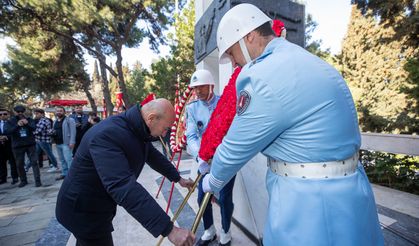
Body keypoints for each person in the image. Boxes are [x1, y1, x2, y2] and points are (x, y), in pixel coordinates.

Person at [201, 4, 384, 246]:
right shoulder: (315, 63)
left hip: (309, 206)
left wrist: (212, 181)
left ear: (249, 36)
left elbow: (236, 145)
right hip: (353, 195)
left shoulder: (261, 76)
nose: (234, 63)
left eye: (232, 53)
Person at [56, 99, 195, 246]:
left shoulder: (137, 128)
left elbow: (151, 155)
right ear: (151, 118)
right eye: (166, 128)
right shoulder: (107, 135)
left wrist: (177, 178)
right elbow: (123, 186)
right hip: (82, 210)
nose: (165, 133)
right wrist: (169, 230)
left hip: (97, 206)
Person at [186, 70, 235, 246]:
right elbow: (191, 136)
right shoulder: (192, 109)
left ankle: (226, 232)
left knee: (224, 198)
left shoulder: (225, 103)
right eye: (195, 88)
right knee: (201, 198)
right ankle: (209, 230)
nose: (197, 91)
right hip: (204, 161)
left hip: (225, 160)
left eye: (201, 87)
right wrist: (201, 157)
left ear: (211, 85)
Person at [5, 105, 42, 187]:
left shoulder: (29, 119)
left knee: (34, 162)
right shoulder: (11, 121)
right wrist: (17, 125)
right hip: (17, 146)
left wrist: (27, 124)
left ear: (24, 112)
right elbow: (7, 131)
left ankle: (37, 180)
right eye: (18, 112)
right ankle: (23, 180)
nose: (20, 113)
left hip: (30, 144)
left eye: (21, 112)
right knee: (19, 164)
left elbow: (34, 128)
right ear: (14, 112)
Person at [52, 106, 76, 180]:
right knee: (62, 160)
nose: (59, 112)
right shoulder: (55, 121)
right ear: (55, 112)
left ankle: (72, 175)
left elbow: (73, 131)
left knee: (68, 159)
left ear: (64, 112)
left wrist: (72, 142)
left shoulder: (69, 120)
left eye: (60, 111)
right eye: (57, 111)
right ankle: (64, 173)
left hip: (66, 143)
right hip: (58, 143)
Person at [33, 108, 60, 173]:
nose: (36, 115)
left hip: (43, 140)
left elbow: (38, 131)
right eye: (35, 114)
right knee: (35, 154)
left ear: (42, 114)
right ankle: (27, 167)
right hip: (40, 140)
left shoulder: (44, 120)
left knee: (49, 154)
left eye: (37, 114)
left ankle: (56, 166)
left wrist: (31, 133)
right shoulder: (41, 120)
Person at [0, 108, 18, 185]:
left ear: (8, 115)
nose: (2, 116)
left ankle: (15, 177)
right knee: (1, 163)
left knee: (13, 162)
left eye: (5, 114)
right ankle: (3, 178)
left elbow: (16, 132)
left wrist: (7, 137)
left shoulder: (12, 123)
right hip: (0, 146)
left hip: (10, 145)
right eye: (0, 114)